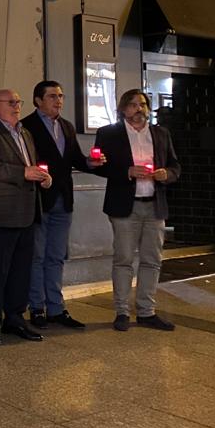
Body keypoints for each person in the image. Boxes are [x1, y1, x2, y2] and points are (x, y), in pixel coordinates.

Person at [93, 89, 181, 332]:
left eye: (142, 104)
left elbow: (175, 165)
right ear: (123, 109)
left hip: (155, 204)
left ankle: (146, 311)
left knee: (152, 260)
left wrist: (167, 174)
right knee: (123, 259)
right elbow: (99, 167)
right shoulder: (109, 134)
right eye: (132, 105)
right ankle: (122, 311)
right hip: (125, 206)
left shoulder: (161, 133)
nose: (138, 109)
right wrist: (127, 171)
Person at [0, 88, 52, 345]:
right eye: (11, 102)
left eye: (18, 102)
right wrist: (23, 173)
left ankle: (15, 318)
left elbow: (31, 164)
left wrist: (42, 175)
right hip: (1, 212)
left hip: (27, 211)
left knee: (21, 270)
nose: (17, 106)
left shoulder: (25, 132)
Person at [21, 81, 101, 330]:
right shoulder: (27, 126)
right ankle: (37, 307)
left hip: (63, 199)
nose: (58, 100)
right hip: (39, 198)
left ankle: (56, 308)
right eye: (52, 96)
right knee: (37, 255)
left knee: (56, 256)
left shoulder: (66, 126)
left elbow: (75, 158)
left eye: (61, 95)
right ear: (38, 100)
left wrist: (91, 163)